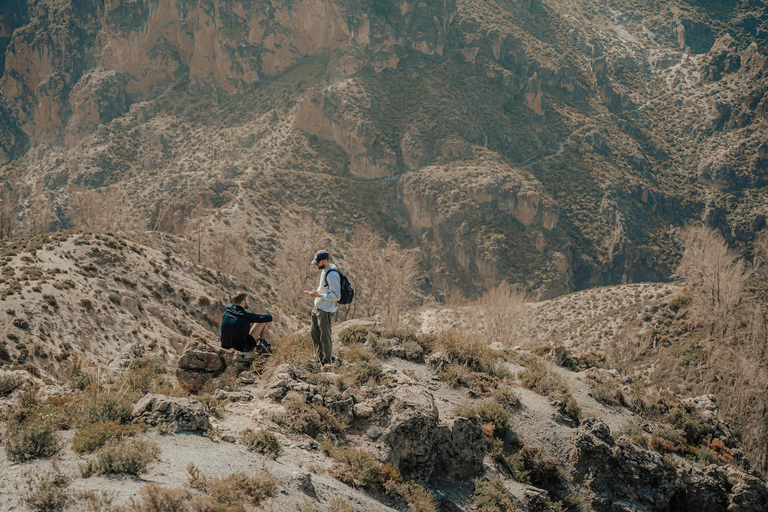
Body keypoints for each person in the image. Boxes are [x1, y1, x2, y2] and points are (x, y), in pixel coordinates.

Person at [304, 250, 340, 365]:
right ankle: (319, 358)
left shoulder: (332, 275)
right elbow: (325, 290)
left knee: (325, 337)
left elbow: (336, 296)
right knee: (315, 334)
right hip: (318, 307)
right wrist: (317, 293)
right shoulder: (324, 271)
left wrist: (318, 295)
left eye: (318, 263)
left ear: (325, 261)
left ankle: (327, 361)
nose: (316, 265)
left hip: (326, 309)